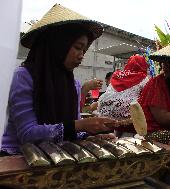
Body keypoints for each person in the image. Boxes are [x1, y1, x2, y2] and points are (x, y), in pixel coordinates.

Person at [1, 4, 116, 155]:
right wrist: (80, 125)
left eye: (84, 49)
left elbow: (70, 131)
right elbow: (27, 134)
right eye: (77, 47)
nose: (81, 55)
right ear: (59, 44)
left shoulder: (73, 84)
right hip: (17, 158)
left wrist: (90, 137)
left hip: (59, 156)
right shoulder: (23, 77)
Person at [97, 54, 149, 137]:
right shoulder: (144, 77)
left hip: (104, 111)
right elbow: (146, 98)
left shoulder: (116, 75)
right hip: (127, 117)